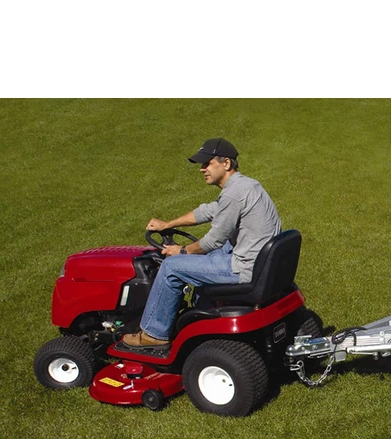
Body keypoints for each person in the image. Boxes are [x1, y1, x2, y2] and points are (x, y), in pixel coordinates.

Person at [121, 138, 282, 350]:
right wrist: (168, 224)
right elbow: (208, 211)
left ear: (226, 163)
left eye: (207, 163)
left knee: (170, 267)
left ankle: (154, 334)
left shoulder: (234, 194)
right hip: (258, 262)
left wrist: (183, 251)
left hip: (244, 268)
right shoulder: (245, 185)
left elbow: (214, 240)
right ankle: (201, 314)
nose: (202, 169)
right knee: (209, 254)